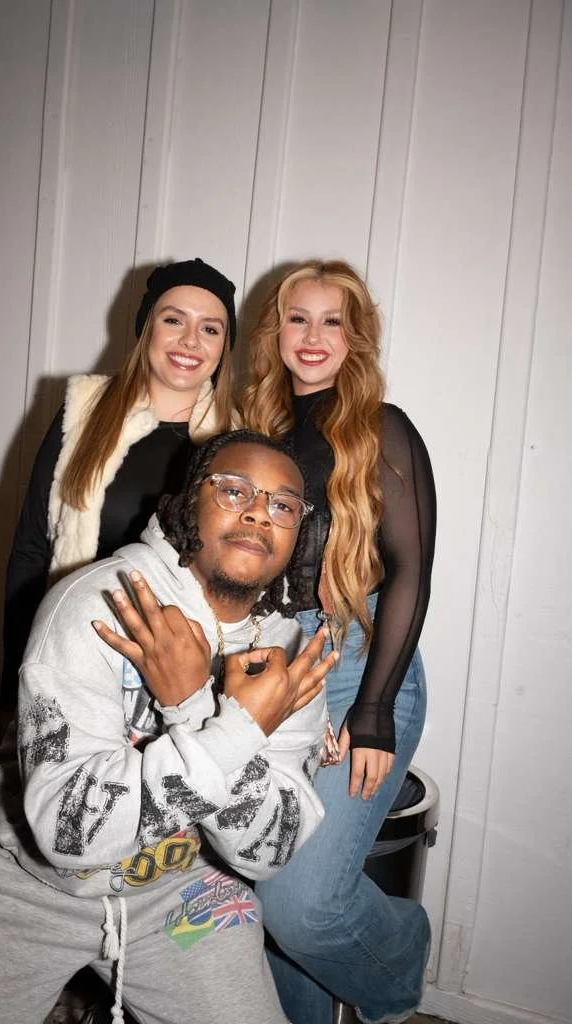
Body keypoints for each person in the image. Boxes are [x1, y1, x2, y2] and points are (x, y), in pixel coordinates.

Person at [0, 431, 337, 1024]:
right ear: (186, 506)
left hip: (178, 892)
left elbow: (270, 850)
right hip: (17, 881)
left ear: (297, 533)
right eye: (233, 490)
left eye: (283, 504)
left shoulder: (292, 653)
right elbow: (67, 833)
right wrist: (231, 726)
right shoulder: (96, 603)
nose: (258, 510)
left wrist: (190, 705)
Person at [243, 260, 437, 1024]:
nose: (314, 335)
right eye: (299, 317)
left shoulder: (383, 430)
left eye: (333, 320)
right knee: (258, 894)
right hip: (271, 671)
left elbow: (413, 573)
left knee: (299, 904)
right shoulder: (253, 432)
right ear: (277, 331)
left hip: (361, 666)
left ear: (355, 336)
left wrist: (374, 710)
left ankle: (400, 960)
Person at [0, 257, 238, 729]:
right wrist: (14, 683)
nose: (191, 341)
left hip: (176, 680)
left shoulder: (239, 441)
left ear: (224, 347)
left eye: (210, 329)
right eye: (174, 320)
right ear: (146, 327)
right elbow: (30, 549)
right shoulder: (83, 411)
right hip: (71, 657)